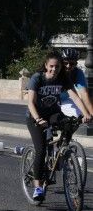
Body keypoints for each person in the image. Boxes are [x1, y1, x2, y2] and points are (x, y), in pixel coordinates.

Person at [26, 51, 90, 201]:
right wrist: (37, 119)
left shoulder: (63, 78)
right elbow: (30, 102)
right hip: (36, 116)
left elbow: (75, 97)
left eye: (57, 67)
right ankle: (37, 187)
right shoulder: (37, 78)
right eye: (51, 66)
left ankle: (63, 151)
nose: (54, 69)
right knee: (41, 150)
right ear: (46, 66)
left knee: (69, 122)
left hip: (54, 113)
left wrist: (86, 114)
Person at [59, 48, 93, 117]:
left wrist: (91, 113)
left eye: (71, 64)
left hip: (66, 100)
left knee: (79, 114)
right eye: (65, 63)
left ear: (76, 64)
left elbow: (84, 94)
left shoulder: (77, 72)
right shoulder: (57, 72)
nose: (68, 66)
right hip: (53, 100)